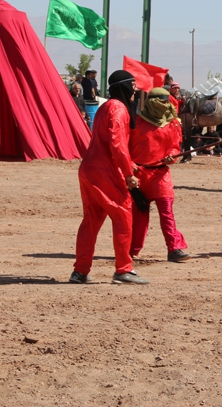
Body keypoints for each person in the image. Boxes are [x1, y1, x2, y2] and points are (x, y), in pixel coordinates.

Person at [70, 70, 148, 285]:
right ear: (124, 87)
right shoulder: (119, 108)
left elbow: (109, 143)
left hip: (89, 169)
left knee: (91, 221)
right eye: (132, 86)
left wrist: (129, 165)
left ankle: (80, 271)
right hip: (105, 172)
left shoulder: (105, 106)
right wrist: (129, 173)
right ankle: (123, 270)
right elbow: (117, 143)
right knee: (123, 216)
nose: (135, 90)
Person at [128, 88, 191, 263]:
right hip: (138, 174)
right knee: (139, 215)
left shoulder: (172, 123)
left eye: (166, 102)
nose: (164, 106)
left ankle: (174, 248)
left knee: (167, 212)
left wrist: (172, 155)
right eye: (160, 102)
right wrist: (130, 168)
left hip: (161, 174)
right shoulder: (136, 122)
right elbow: (124, 147)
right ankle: (131, 249)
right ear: (151, 102)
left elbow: (175, 146)